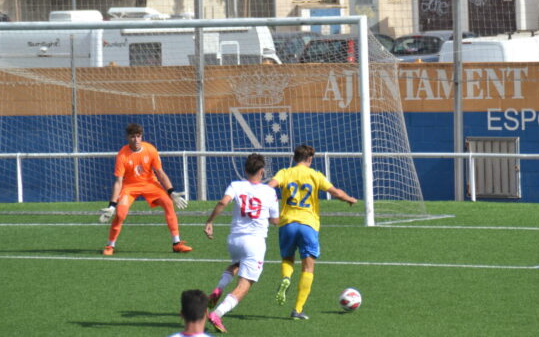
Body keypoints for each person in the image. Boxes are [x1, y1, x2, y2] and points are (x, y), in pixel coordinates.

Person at [267, 144, 357, 320]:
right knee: (308, 267)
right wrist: (349, 199)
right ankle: (297, 310)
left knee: (287, 259)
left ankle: (286, 277)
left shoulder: (285, 173)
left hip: (287, 224)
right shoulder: (315, 175)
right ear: (309, 159)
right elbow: (335, 192)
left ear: (294, 158)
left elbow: (269, 187)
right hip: (308, 225)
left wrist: (271, 210)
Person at [203, 153, 279, 334]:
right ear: (262, 172)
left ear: (245, 170)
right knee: (245, 285)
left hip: (234, 240)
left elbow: (223, 202)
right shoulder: (269, 192)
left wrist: (210, 222)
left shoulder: (236, 185)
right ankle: (218, 313)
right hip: (255, 243)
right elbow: (275, 221)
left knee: (237, 263)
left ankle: (219, 287)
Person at [99, 123, 191, 255]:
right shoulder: (122, 155)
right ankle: (110, 246)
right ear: (127, 138)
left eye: (138, 136)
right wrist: (112, 205)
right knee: (120, 214)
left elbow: (160, 172)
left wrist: (171, 192)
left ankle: (176, 243)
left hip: (150, 184)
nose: (136, 140)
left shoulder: (150, 149)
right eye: (132, 137)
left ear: (141, 136)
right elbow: (118, 182)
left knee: (168, 203)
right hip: (130, 187)